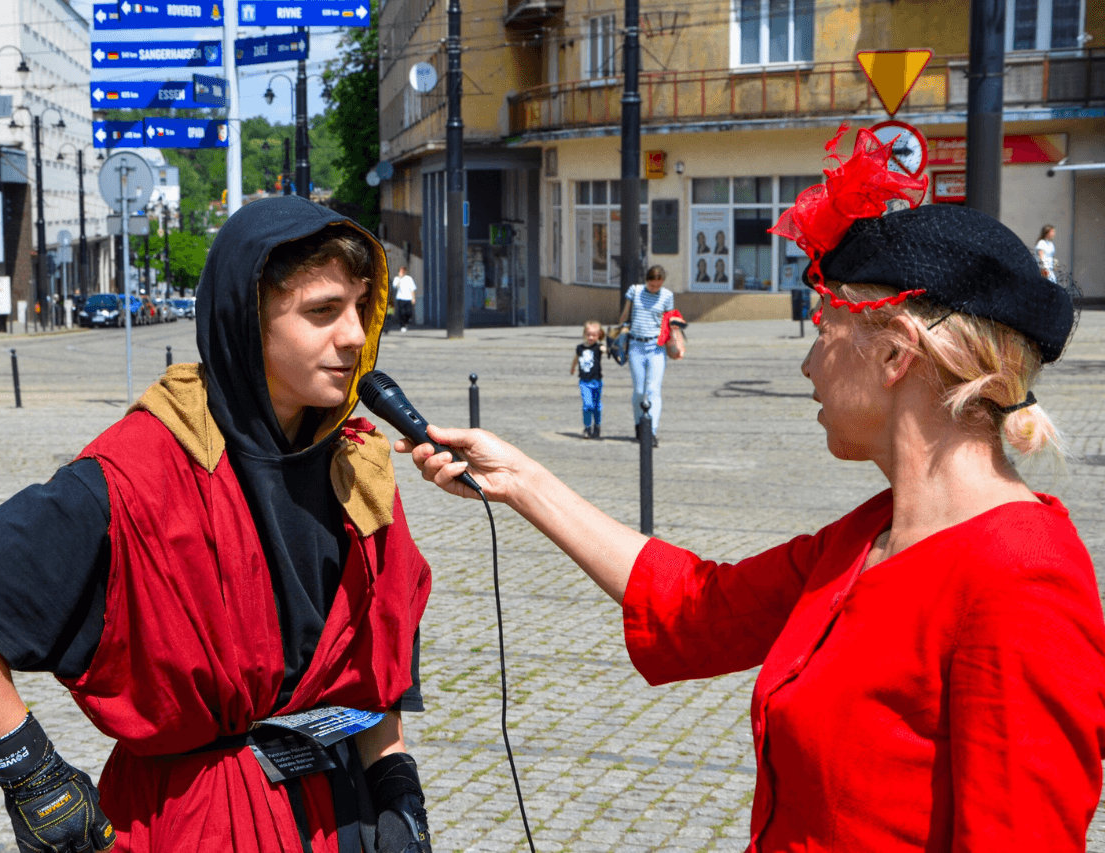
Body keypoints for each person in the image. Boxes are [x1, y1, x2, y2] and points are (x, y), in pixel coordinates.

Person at [401, 128, 1105, 851]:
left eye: (825, 324)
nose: (806, 362)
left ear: (895, 350)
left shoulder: (1023, 579)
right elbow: (697, 609)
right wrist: (521, 479)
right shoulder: (869, 536)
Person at [0, 197, 435, 853]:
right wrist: (34, 776)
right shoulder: (141, 467)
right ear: (248, 323)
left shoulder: (358, 463)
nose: (353, 333)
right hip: (200, 819)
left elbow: (373, 668)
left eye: (359, 305)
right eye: (322, 311)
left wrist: (398, 787)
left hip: (339, 808)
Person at [618, 265, 682, 447]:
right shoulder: (635, 290)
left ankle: (651, 431)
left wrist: (673, 343)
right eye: (652, 285)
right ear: (646, 281)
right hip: (636, 345)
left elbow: (668, 322)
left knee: (653, 389)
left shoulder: (667, 296)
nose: (654, 289)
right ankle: (639, 425)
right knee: (639, 390)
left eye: (658, 286)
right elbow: (625, 314)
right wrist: (620, 331)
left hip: (656, 347)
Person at [570, 320, 606, 439]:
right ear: (584, 334)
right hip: (584, 381)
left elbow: (605, 349)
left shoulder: (598, 347)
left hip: (597, 381)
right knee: (587, 405)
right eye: (588, 334)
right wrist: (573, 368)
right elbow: (576, 358)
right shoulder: (580, 348)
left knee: (596, 406)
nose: (591, 337)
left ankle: (597, 426)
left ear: (598, 335)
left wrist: (606, 348)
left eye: (594, 335)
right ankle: (587, 427)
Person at [392, 265, 417, 332]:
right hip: (400, 298)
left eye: (403, 270)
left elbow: (412, 289)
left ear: (405, 271)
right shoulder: (396, 279)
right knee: (402, 313)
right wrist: (400, 278)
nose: (402, 272)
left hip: (408, 298)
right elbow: (396, 286)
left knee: (409, 312)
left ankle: (406, 322)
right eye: (400, 271)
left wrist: (413, 298)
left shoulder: (409, 278)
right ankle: (402, 326)